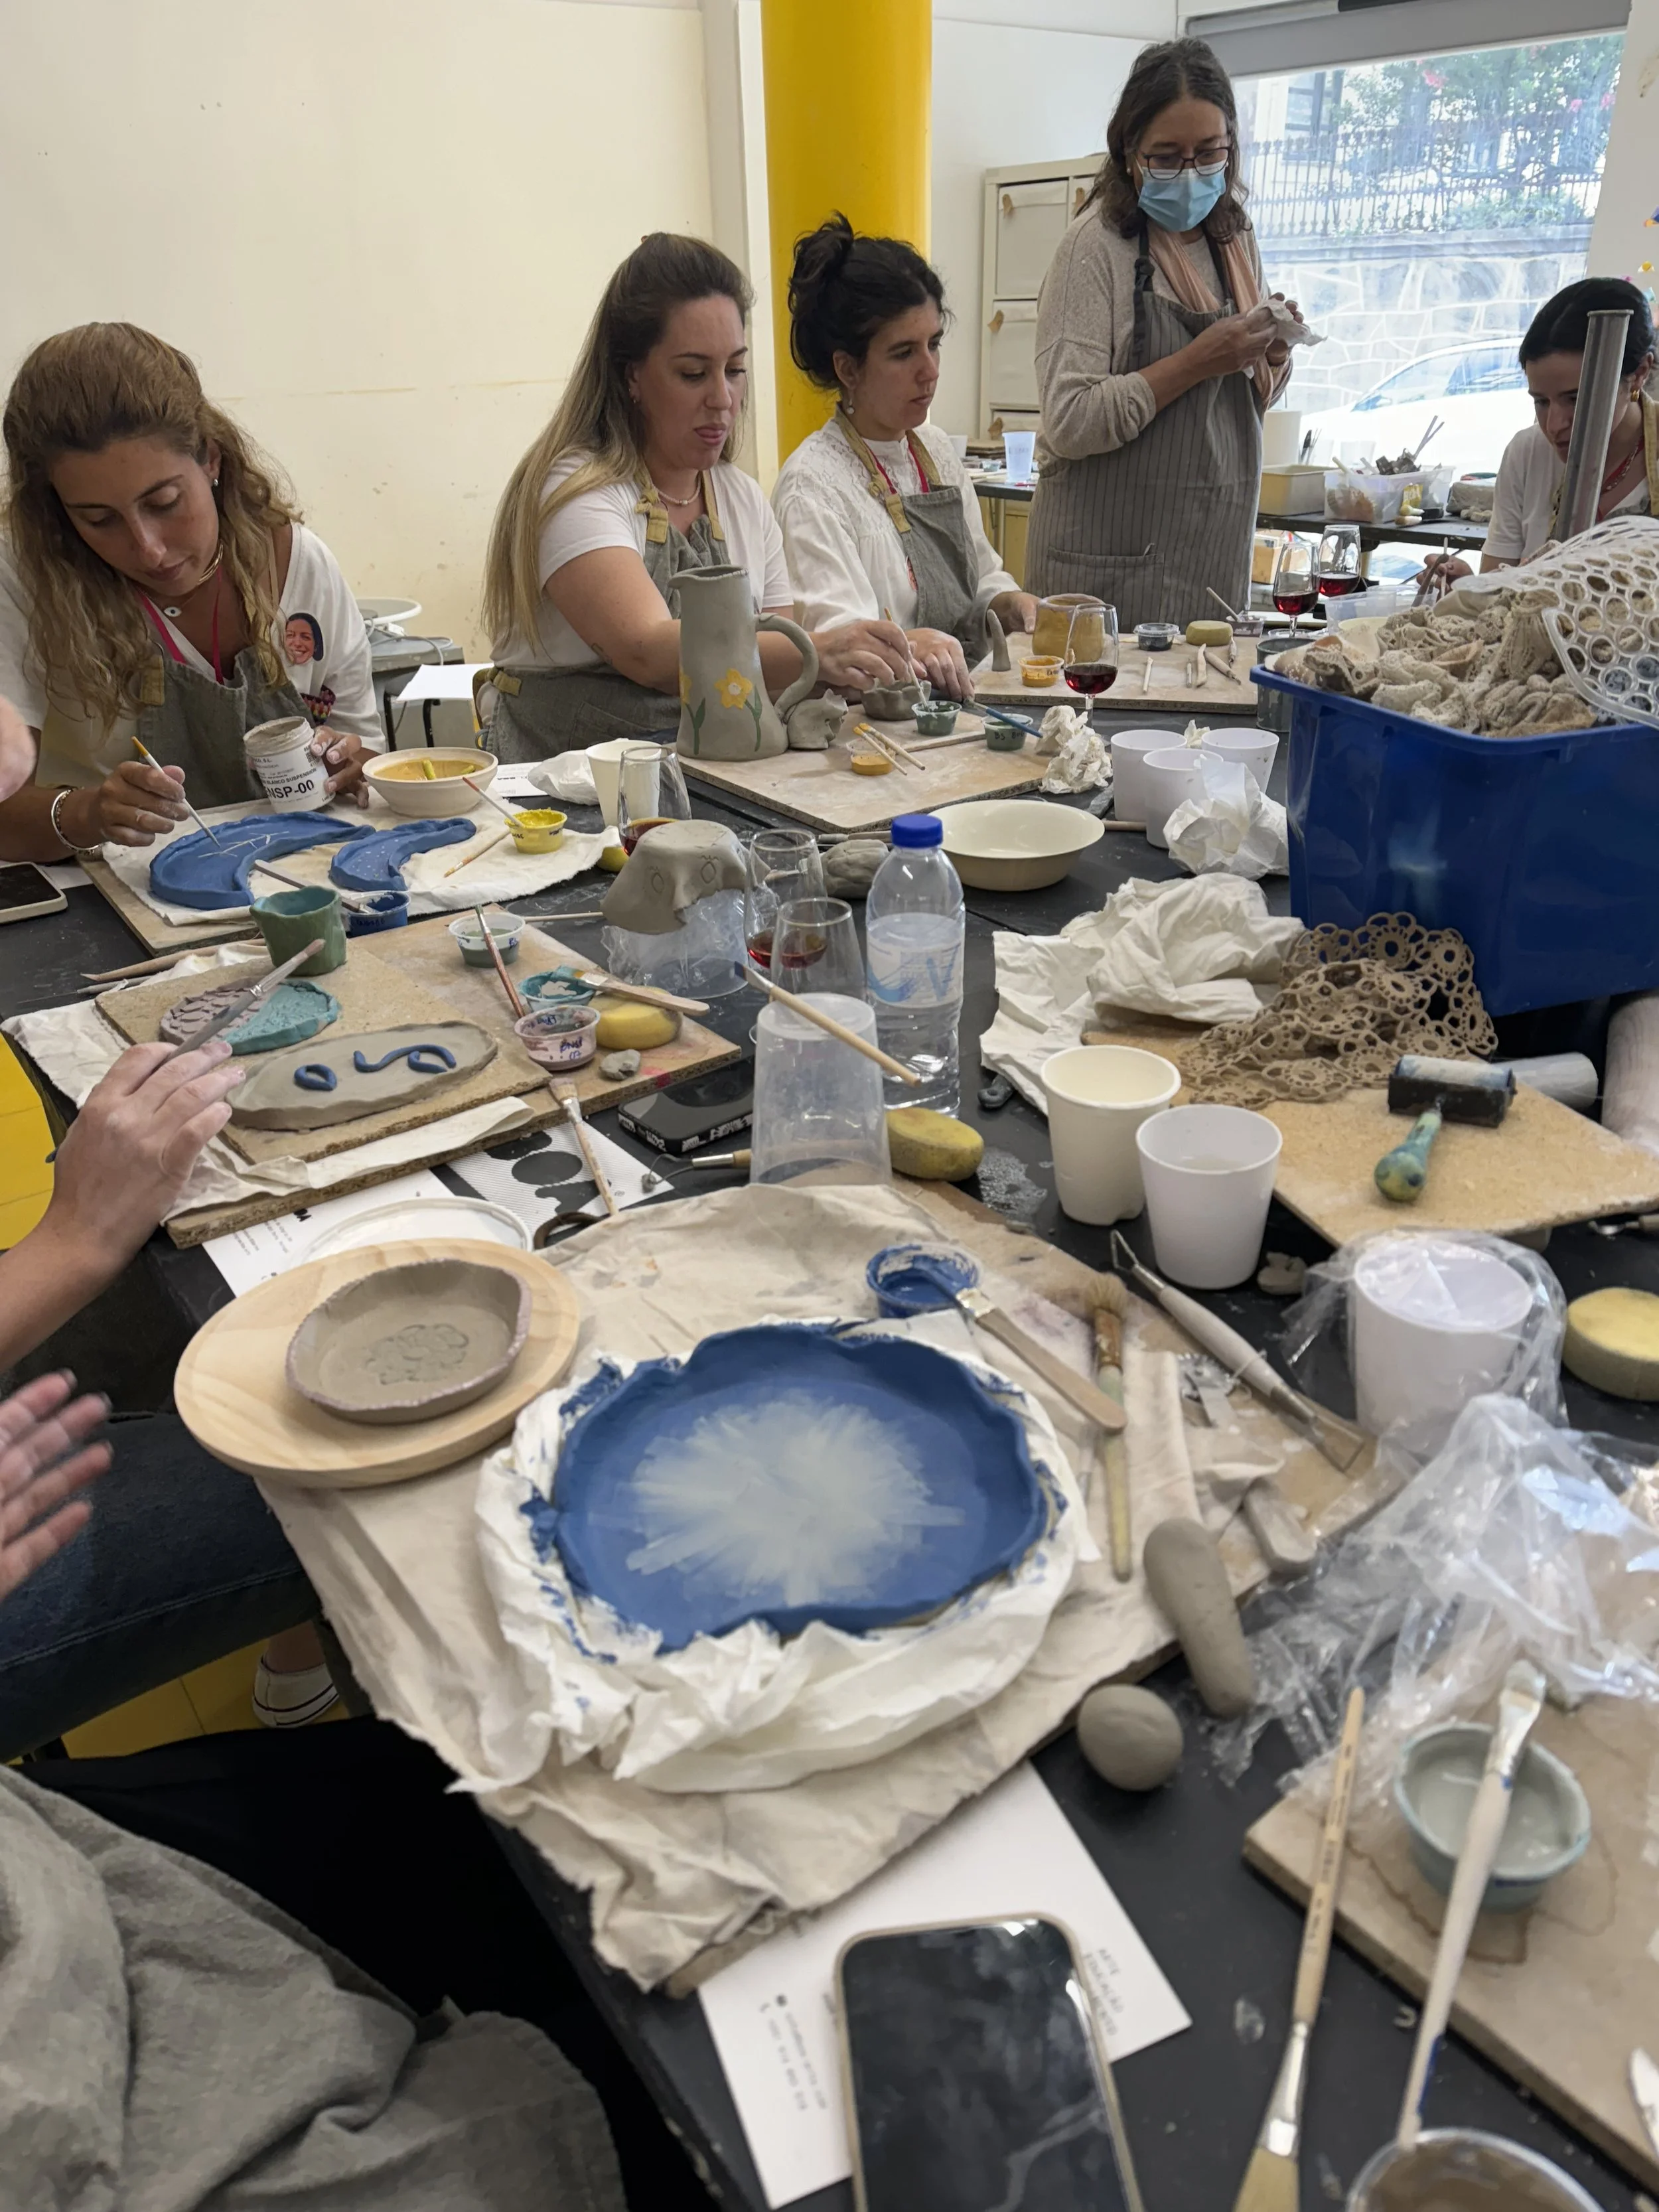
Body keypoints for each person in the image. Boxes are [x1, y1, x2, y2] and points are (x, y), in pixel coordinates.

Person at [478, 232, 915, 758]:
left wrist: (865, 656)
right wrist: (820, 652)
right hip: (566, 796)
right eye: (693, 374)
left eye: (734, 371)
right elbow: (649, 652)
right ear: (631, 376)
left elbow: (775, 656)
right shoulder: (576, 490)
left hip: (701, 774)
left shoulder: (743, 500)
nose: (722, 399)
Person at [0, 322, 380, 863]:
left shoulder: (299, 564)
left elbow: (369, 750)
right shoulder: (22, 577)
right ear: (56, 512)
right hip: (103, 907)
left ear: (210, 458)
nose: (148, 549)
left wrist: (351, 762)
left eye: (164, 502)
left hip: (297, 873)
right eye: (98, 519)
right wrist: (87, 814)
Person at [1025, 37, 1295, 629]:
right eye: (1167, 157)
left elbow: (1248, 395)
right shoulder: (1094, 248)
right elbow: (1069, 419)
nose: (1191, 174)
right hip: (1103, 573)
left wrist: (1271, 350)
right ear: (1129, 153)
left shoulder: (1234, 238)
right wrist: (1198, 360)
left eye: (1208, 155)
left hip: (1207, 562)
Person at [771, 215, 1037, 700]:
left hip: (959, 708)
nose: (930, 371)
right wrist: (910, 646)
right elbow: (844, 651)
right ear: (847, 368)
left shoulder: (933, 450)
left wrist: (1008, 602)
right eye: (903, 353)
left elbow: (980, 577)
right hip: (874, 729)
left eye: (934, 344)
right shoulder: (813, 486)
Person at [1423, 279, 1658, 589]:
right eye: (1542, 401)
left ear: (1640, 373)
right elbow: (1498, 590)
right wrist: (1467, 588)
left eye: (1576, 399)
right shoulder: (1528, 452)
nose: (1554, 426)